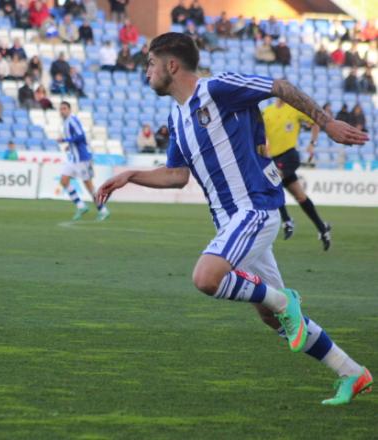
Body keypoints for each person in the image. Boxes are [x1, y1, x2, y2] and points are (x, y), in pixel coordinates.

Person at [97, 32, 372, 406]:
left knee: (206, 278)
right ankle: (352, 372)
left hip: (254, 210)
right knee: (273, 318)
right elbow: (177, 175)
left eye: (149, 63)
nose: (145, 71)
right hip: (231, 224)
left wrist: (326, 123)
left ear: (171, 65)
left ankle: (284, 300)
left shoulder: (218, 88)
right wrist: (130, 175)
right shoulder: (177, 117)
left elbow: (280, 86)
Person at [263, 98, 331, 248]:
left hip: (289, 155)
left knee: (272, 182)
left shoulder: (293, 109)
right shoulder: (267, 112)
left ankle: (287, 220)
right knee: (300, 196)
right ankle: (322, 228)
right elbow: (261, 136)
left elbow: (314, 123)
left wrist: (312, 144)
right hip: (274, 158)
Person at [57, 101, 110, 221]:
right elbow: (76, 139)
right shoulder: (66, 122)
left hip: (82, 158)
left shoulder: (72, 120)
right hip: (74, 159)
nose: (62, 111)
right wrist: (69, 145)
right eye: (60, 109)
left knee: (88, 186)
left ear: (69, 110)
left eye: (64, 108)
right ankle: (81, 206)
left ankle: (103, 210)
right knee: (64, 180)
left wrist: (66, 140)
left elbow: (81, 136)